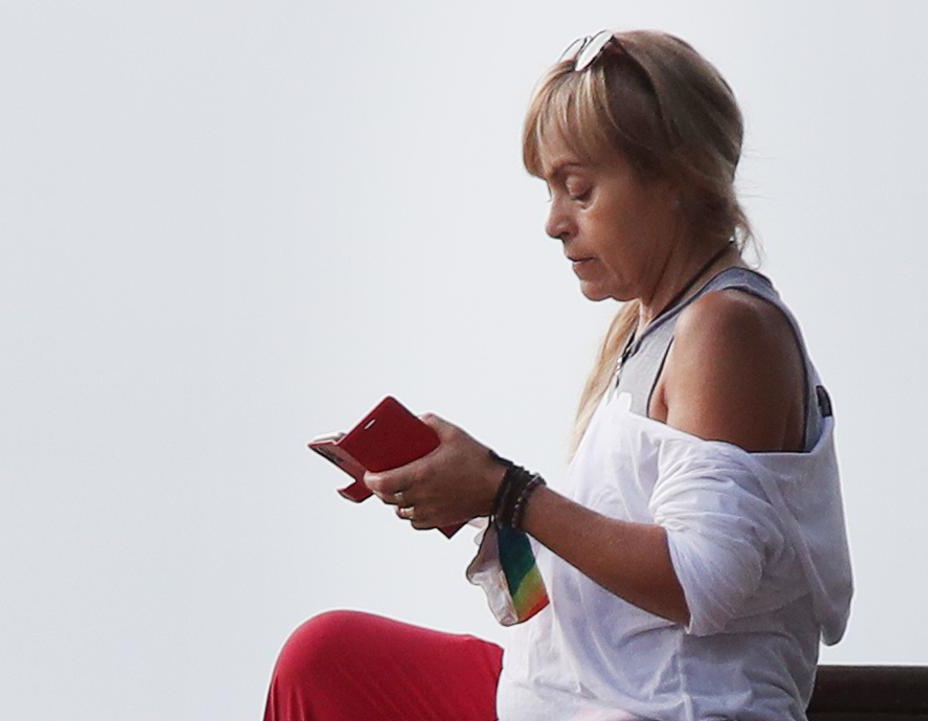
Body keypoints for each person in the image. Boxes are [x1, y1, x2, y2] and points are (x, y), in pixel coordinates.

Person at [263, 28, 853, 721]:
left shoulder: (726, 329)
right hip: (568, 694)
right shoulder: (645, 331)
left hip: (661, 710)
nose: (553, 223)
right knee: (325, 658)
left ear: (675, 179)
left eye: (579, 189)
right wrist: (475, 499)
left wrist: (508, 490)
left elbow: (705, 582)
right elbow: (563, 605)